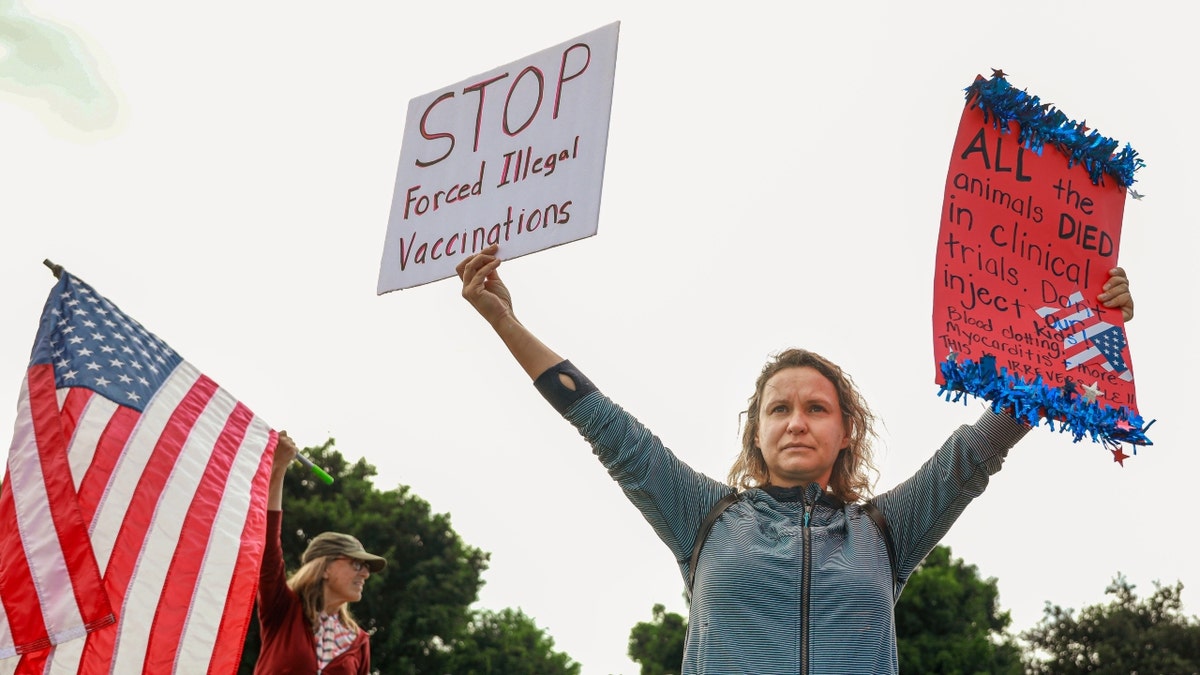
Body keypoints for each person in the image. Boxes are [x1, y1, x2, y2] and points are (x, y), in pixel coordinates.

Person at [455, 244, 1135, 674]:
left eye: (817, 408)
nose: (797, 421)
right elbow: (601, 422)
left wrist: (1089, 328)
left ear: (847, 433)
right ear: (756, 434)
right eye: (779, 409)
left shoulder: (884, 530)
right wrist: (504, 321)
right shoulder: (703, 515)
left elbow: (982, 445)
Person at [254, 432, 386, 675]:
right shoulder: (283, 609)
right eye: (357, 564)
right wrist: (279, 468)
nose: (366, 574)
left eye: (366, 568)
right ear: (325, 568)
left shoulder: (359, 642)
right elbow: (268, 547)